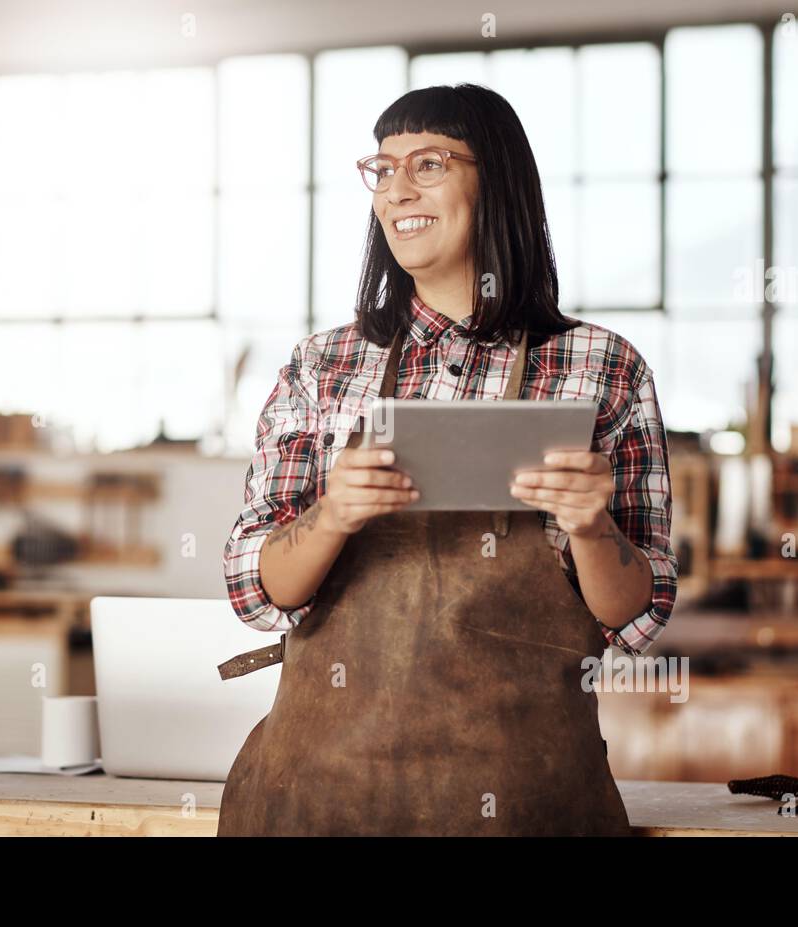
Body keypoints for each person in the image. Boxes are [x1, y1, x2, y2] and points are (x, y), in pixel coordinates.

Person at [218, 83, 677, 836]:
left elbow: (634, 616)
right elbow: (253, 591)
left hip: (526, 802)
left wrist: (593, 531)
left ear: (495, 181)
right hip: (320, 797)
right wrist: (334, 515)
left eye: (428, 163)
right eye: (383, 168)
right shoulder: (324, 366)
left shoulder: (602, 367)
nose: (397, 189)